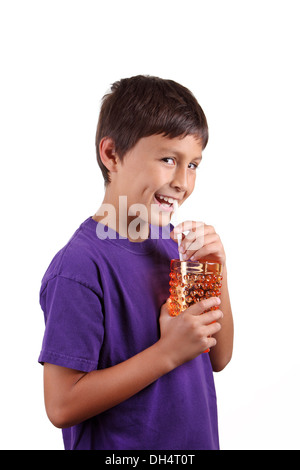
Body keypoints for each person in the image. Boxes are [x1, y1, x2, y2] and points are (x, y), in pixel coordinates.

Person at [38, 75, 234, 450]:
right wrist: (167, 353)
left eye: (193, 165)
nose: (182, 182)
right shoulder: (79, 267)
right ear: (111, 154)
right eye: (168, 159)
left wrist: (215, 271)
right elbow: (61, 406)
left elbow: (218, 356)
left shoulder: (174, 244)